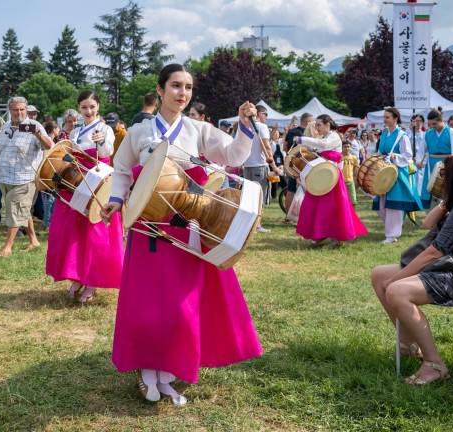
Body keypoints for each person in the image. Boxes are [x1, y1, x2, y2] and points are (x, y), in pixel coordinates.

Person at [100, 63, 262, 406]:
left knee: (181, 304)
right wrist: (116, 200)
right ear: (160, 90)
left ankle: (170, 370)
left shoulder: (197, 129)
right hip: (147, 226)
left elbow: (233, 154)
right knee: (146, 301)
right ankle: (146, 370)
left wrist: (245, 127)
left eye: (187, 88)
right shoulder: (139, 132)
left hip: (187, 229)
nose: (182, 93)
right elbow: (123, 169)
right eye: (175, 86)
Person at [371, 154, 453, 385]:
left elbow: (433, 253)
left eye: (444, 174)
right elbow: (427, 223)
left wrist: (396, 280)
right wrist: (446, 201)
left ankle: (434, 364)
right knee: (379, 273)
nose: (440, 178)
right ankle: (408, 345)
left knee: (396, 290)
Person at [45, 90, 124, 304]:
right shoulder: (75, 131)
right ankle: (76, 276)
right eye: (84, 107)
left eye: (92, 107)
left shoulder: (105, 128)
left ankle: (92, 281)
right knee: (74, 232)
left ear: (98, 106)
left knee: (94, 231)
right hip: (76, 183)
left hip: (96, 181)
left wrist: (100, 142)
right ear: (79, 108)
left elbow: (108, 149)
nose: (88, 111)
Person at [0, 96, 53, 257]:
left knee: (14, 206)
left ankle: (7, 247)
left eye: (22, 109)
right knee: (22, 210)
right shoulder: (6, 126)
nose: (19, 112)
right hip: (5, 177)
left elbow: (49, 145)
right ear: (10, 110)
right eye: (15, 109)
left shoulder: (34, 126)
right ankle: (34, 240)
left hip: (25, 177)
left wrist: (37, 134)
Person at [294, 114, 367, 246]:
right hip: (324, 176)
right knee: (318, 206)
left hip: (332, 178)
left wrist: (302, 139)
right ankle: (321, 234)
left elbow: (324, 145)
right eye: (316, 125)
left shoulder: (333, 136)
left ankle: (335, 238)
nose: (316, 128)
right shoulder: (326, 136)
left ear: (327, 124)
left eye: (318, 125)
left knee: (333, 207)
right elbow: (320, 147)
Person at [373, 107, 422, 244]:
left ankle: (392, 235)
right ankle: (394, 226)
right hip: (384, 171)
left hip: (397, 173)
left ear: (395, 118)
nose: (384, 119)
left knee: (393, 204)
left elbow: (407, 156)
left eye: (387, 117)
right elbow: (379, 152)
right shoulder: (384, 134)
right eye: (384, 117)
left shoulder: (402, 135)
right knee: (380, 203)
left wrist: (395, 156)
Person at [420, 107, 453, 209]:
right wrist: (418, 161)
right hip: (432, 166)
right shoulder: (427, 134)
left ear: (441, 120)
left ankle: (451, 213)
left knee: (449, 191)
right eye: (430, 124)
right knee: (432, 191)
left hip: (449, 165)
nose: (432, 126)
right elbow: (421, 149)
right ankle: (434, 218)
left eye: (434, 124)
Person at [243, 104, 280, 223]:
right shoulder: (262, 127)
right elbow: (267, 148)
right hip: (259, 166)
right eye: (266, 114)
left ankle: (250, 224)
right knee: (259, 197)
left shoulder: (245, 126)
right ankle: (256, 225)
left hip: (247, 166)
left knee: (249, 198)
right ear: (259, 114)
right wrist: (274, 167)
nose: (267, 117)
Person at [283, 112, 312, 221]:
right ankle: (305, 217)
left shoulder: (291, 131)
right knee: (308, 191)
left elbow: (285, 148)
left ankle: (288, 217)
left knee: (290, 191)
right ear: (309, 121)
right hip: (307, 166)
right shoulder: (310, 133)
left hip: (292, 164)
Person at [408, 114, 427, 196]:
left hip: (421, 161)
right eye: (416, 121)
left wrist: (422, 159)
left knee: (421, 180)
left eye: (420, 121)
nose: (418, 123)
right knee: (412, 180)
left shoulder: (425, 134)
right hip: (411, 161)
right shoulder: (409, 133)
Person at [341, 140, 359, 205]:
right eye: (345, 147)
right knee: (342, 201)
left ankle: (353, 215)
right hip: (341, 182)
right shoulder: (339, 157)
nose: (347, 148)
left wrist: (354, 177)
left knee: (353, 201)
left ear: (350, 147)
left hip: (350, 181)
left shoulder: (354, 158)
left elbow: (355, 168)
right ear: (342, 148)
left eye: (348, 147)